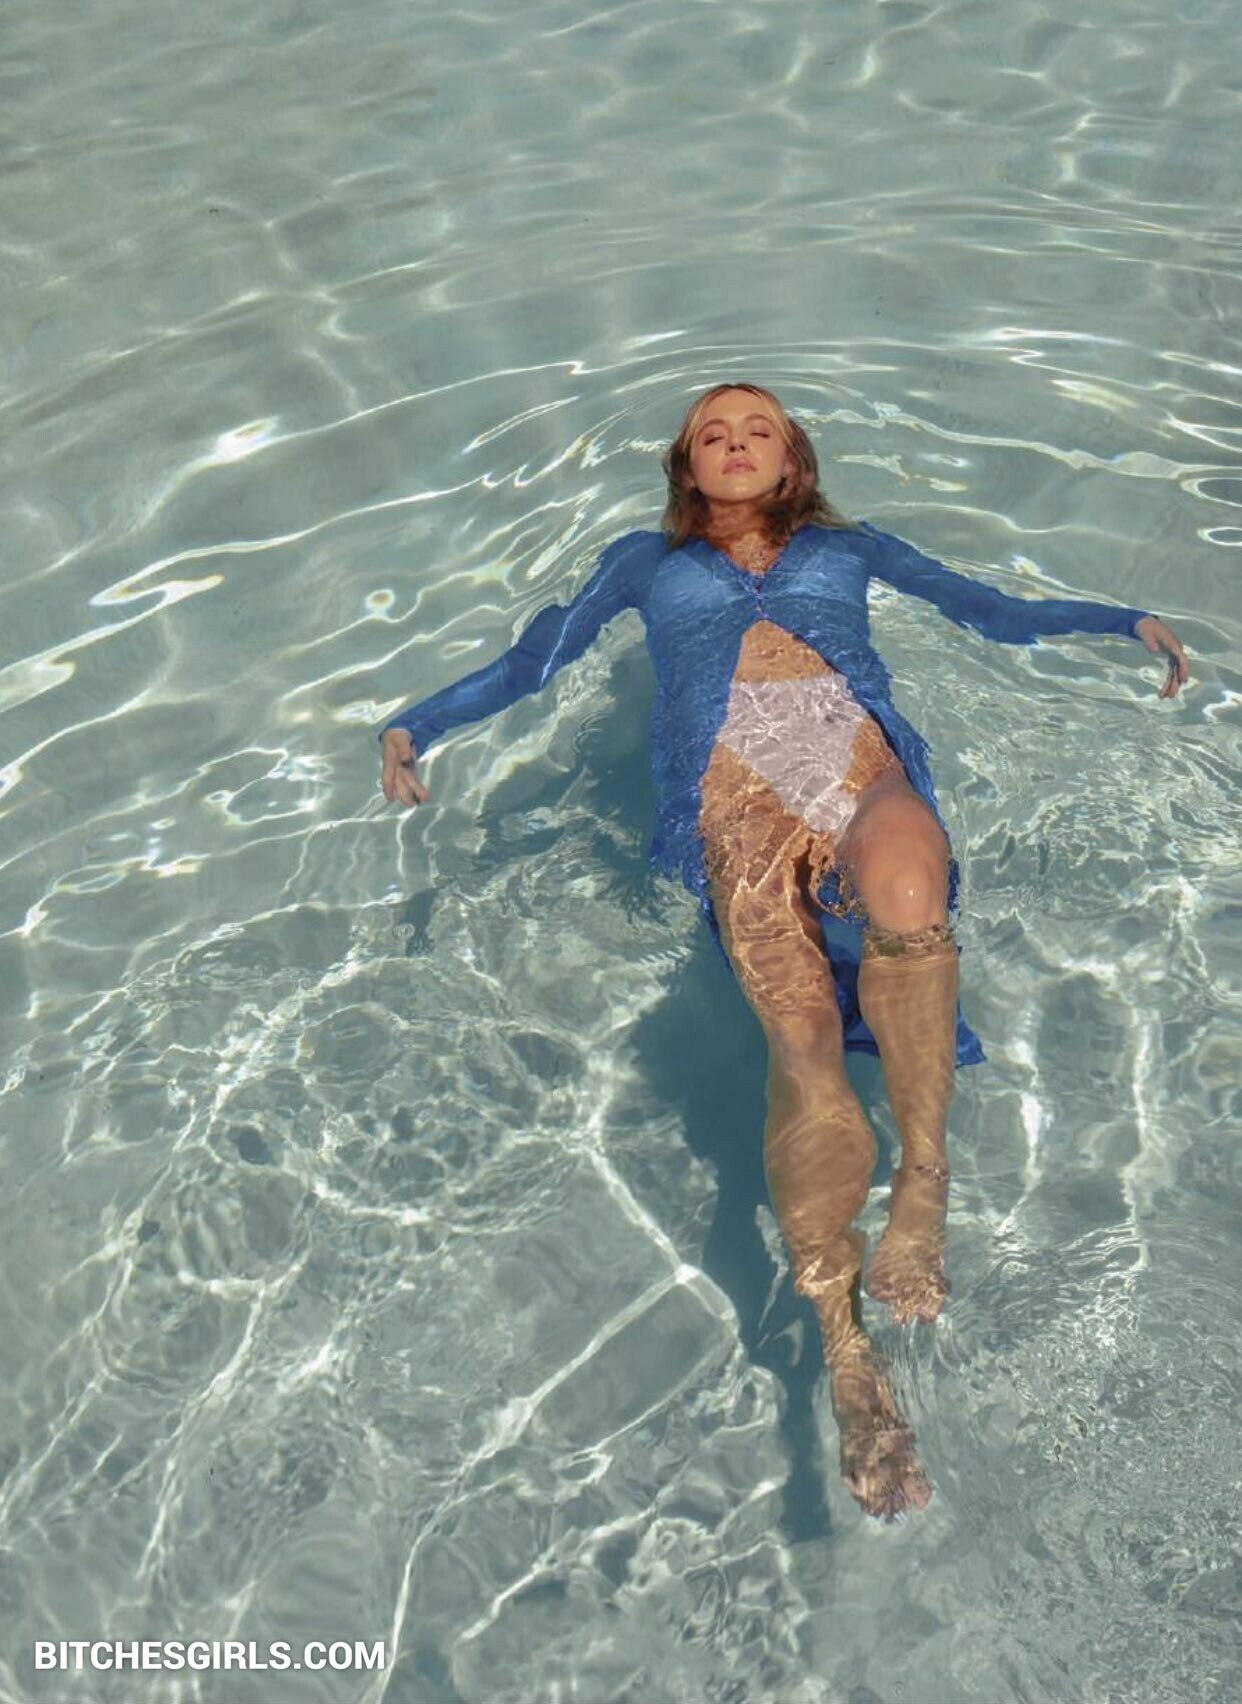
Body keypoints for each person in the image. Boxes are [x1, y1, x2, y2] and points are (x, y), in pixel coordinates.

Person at [377, 383, 1190, 1521]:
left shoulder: (848, 547)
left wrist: (1120, 620)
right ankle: (849, 1362)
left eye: (757, 429)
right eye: (712, 434)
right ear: (686, 468)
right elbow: (533, 660)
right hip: (732, 801)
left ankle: (923, 1185)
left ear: (792, 458)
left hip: (855, 763)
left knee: (908, 880)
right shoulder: (641, 563)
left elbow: (988, 607)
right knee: (802, 1045)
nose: (736, 443)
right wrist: (415, 723)